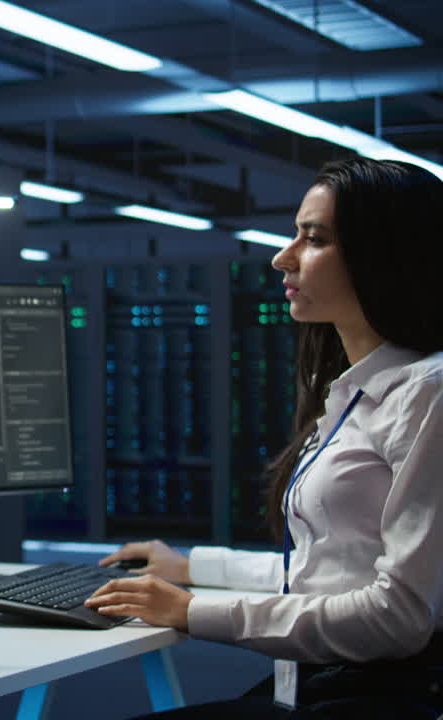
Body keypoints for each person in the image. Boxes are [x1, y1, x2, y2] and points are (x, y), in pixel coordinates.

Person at [87, 157, 443, 718]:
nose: (283, 257)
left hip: (374, 697)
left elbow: (398, 615)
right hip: (312, 684)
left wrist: (192, 610)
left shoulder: (428, 394)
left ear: (384, 257)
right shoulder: (357, 392)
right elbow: (326, 571)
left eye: (314, 239)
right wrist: (191, 566)